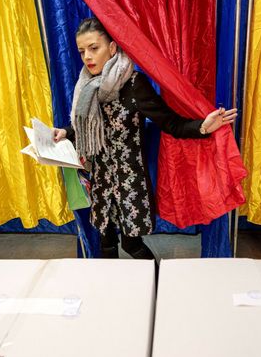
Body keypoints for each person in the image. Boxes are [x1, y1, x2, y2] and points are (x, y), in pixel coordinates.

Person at [54, 17, 237, 260]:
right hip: (101, 182)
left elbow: (170, 123)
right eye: (82, 51)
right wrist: (66, 132)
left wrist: (203, 126)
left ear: (112, 48)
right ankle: (111, 285)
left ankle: (156, 282)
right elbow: (85, 125)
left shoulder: (134, 84)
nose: (87, 56)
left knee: (132, 245)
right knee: (105, 244)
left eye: (94, 48)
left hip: (130, 183)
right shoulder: (87, 86)